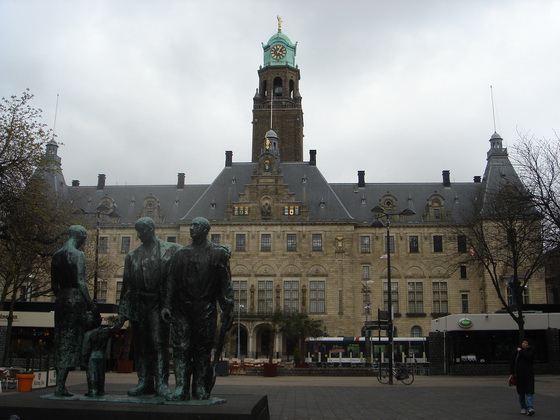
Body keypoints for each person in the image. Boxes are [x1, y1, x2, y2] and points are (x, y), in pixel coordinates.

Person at [162, 217, 234, 401]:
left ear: (205, 230)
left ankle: (199, 386)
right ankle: (181, 387)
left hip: (206, 308)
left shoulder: (217, 254)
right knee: (181, 348)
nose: (191, 228)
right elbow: (170, 281)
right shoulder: (180, 254)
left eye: (195, 225)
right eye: (191, 225)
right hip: (182, 309)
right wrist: (167, 305)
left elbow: (225, 284)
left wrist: (228, 307)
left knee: (203, 349)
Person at [117, 217, 180, 397]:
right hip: (139, 304)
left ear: (151, 229)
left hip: (158, 303)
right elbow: (127, 286)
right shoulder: (132, 256)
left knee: (159, 343)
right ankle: (144, 381)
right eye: (137, 231)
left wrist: (218, 249)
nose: (139, 235)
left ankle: (161, 383)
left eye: (142, 231)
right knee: (141, 345)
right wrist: (123, 311)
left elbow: (192, 251)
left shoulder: (171, 249)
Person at [51, 225, 98, 397]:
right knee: (71, 341)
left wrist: (62, 296)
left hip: (61, 299)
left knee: (61, 339)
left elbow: (53, 284)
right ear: (81, 237)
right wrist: (91, 304)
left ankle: (60, 385)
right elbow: (81, 281)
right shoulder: (78, 255)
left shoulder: (56, 255)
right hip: (75, 299)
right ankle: (61, 386)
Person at [82, 312, 121, 397]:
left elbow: (85, 349)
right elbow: (116, 328)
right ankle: (101, 390)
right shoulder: (104, 331)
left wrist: (83, 360)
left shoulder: (88, 334)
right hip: (102, 355)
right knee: (101, 374)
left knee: (92, 374)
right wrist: (121, 319)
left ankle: (93, 390)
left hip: (92, 356)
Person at [510, 339, 535, 416]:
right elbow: (513, 362)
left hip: (528, 375)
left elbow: (528, 357)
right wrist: (512, 373)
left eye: (525, 343)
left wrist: (520, 351)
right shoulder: (517, 352)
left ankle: (530, 407)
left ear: (528, 344)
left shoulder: (530, 351)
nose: (523, 344)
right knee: (521, 393)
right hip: (519, 375)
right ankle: (523, 407)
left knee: (529, 392)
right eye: (523, 342)